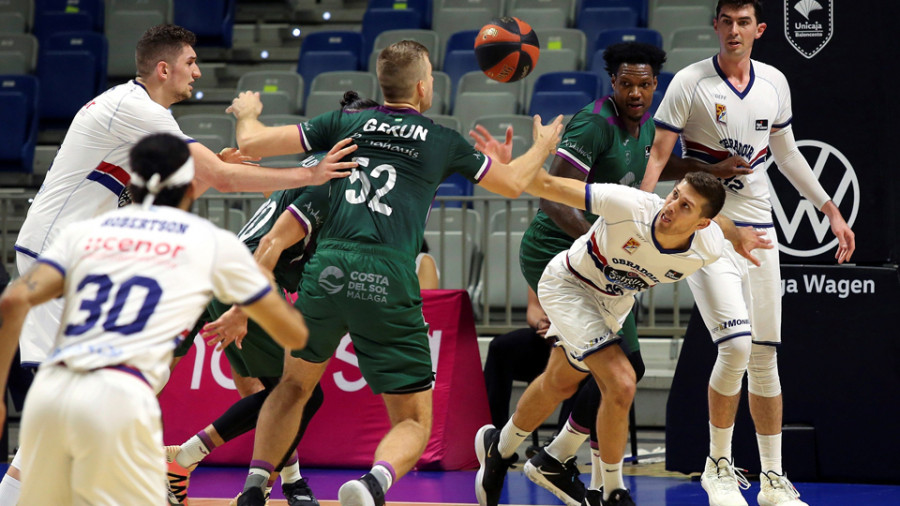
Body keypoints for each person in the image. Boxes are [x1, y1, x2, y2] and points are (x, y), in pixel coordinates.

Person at [0, 23, 352, 501]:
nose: (199, 71)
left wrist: (219, 171)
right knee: (80, 416)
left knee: (95, 405)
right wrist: (310, 174)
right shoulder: (139, 110)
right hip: (59, 258)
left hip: (79, 258)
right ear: (163, 68)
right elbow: (222, 181)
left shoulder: (132, 112)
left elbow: (191, 186)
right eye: (190, 62)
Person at [225, 39, 563, 506]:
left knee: (294, 386)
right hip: (387, 271)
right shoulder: (442, 139)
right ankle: (371, 485)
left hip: (327, 268)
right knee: (412, 420)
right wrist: (542, 146)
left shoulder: (344, 121)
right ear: (424, 87)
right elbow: (512, 184)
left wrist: (246, 111)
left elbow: (254, 144)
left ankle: (255, 488)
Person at [470, 41, 751, 506]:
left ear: (655, 86)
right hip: (560, 249)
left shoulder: (647, 131)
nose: (636, 93)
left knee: (574, 375)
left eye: (644, 85)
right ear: (613, 84)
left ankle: (522, 452)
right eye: (627, 84)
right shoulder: (595, 125)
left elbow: (670, 171)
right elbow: (551, 196)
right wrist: (603, 241)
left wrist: (715, 178)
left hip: (611, 265)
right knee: (621, 374)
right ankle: (604, 483)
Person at [0, 133, 310, 505]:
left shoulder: (85, 233)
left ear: (130, 183)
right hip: (120, 395)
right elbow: (292, 332)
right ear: (189, 188)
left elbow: (14, 300)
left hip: (53, 389)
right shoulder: (209, 241)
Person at [637, 2, 855, 505]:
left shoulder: (775, 82)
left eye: (743, 23)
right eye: (726, 22)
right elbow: (660, 154)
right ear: (715, 26)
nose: (734, 31)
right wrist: (645, 209)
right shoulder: (690, 82)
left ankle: (773, 479)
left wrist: (830, 209)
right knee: (734, 346)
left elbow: (786, 152)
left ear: (757, 30)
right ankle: (718, 465)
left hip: (761, 229)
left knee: (763, 357)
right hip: (709, 229)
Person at [475, 170, 771, 506]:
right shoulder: (630, 206)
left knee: (560, 383)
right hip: (570, 285)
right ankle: (614, 492)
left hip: (613, 305)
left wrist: (739, 237)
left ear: (701, 223)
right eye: (674, 194)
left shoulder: (709, 245)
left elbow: (722, 226)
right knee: (622, 380)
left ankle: (500, 448)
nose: (671, 206)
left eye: (686, 206)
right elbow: (552, 187)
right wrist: (499, 168)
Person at [165, 93, 377, 506]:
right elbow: (273, 243)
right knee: (298, 392)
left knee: (268, 390)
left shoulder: (314, 163)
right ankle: (185, 458)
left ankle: (284, 481)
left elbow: (273, 206)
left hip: (216, 266)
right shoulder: (337, 178)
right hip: (243, 275)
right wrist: (245, 307)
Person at [482, 287, 553, 429]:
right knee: (500, 348)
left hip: (584, 339)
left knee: (585, 364)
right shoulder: (543, 265)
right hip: (549, 335)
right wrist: (541, 324)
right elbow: (534, 307)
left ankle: (560, 445)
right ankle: (493, 434)